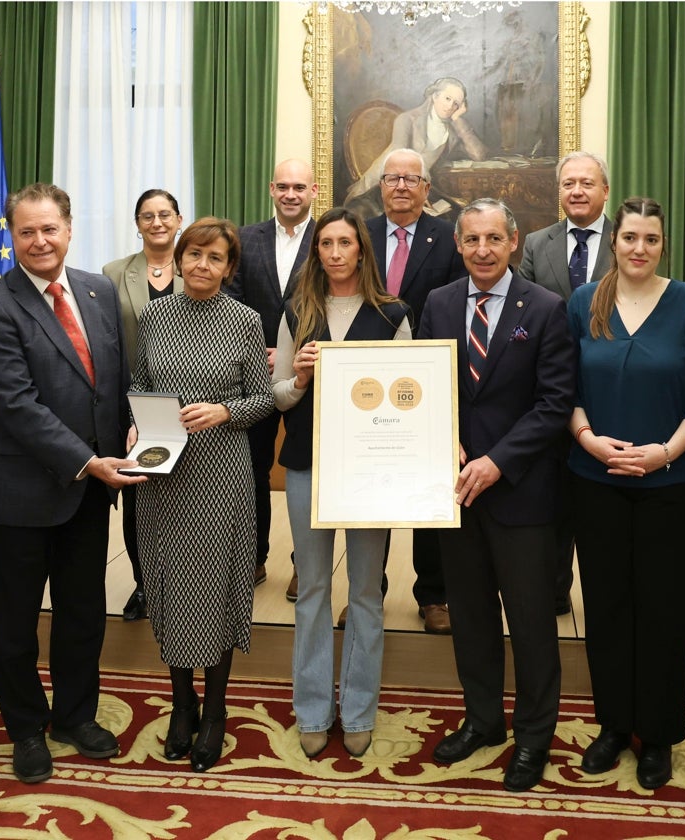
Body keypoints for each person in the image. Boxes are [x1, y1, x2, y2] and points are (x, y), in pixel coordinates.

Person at [0, 183, 145, 784]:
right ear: (11, 236)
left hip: (92, 491)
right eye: (27, 231)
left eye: (50, 229)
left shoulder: (96, 291)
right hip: (24, 491)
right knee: (14, 621)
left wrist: (131, 434)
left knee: (83, 611)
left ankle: (74, 715)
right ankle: (24, 727)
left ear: (69, 229)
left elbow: (113, 382)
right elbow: (16, 405)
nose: (40, 241)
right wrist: (87, 460)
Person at [418, 198, 574, 792]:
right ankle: (483, 721)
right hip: (455, 490)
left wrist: (497, 462)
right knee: (472, 618)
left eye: (493, 239)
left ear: (513, 242)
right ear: (458, 245)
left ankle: (534, 738)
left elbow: (554, 403)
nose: (482, 250)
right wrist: (448, 439)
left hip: (522, 494)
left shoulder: (547, 308)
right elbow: (426, 385)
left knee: (532, 623)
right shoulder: (437, 303)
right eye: (471, 240)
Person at [567, 197, 685, 790]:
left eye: (650, 239)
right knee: (605, 605)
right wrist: (588, 440)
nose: (639, 248)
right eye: (630, 237)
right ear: (614, 241)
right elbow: (567, 385)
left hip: (671, 483)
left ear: (662, 245)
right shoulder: (586, 303)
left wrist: (665, 453)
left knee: (663, 605)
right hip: (596, 479)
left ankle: (656, 733)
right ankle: (613, 725)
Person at [131, 217, 274, 773]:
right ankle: (181, 705)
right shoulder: (153, 316)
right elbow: (139, 385)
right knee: (168, 585)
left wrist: (225, 411)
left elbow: (264, 402)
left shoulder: (244, 321)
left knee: (212, 589)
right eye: (194, 254)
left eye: (215, 258)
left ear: (229, 268)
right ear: (178, 256)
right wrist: (135, 424)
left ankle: (214, 709)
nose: (201, 266)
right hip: (165, 476)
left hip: (222, 473)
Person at [273, 207, 411, 760]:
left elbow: (409, 400)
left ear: (362, 251)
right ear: (317, 252)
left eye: (344, 243)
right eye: (325, 243)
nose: (334, 253)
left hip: (371, 473)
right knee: (310, 591)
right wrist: (301, 378)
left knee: (365, 594)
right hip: (307, 466)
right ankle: (311, 708)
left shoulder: (394, 313)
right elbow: (277, 395)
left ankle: (357, 708)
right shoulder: (294, 312)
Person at [364, 147, 465, 635]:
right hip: (364, 380)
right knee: (373, 483)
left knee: (429, 483)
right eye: (392, 178)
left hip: (430, 379)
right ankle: (368, 591)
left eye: (412, 179)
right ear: (380, 186)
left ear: (427, 187)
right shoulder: (358, 235)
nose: (401, 186)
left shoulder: (449, 237)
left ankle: (434, 595)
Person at [518, 151, 614, 616]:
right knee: (551, 495)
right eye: (568, 183)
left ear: (605, 191)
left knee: (598, 501)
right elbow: (525, 308)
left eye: (587, 183)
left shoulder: (630, 239)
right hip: (549, 388)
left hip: (610, 390)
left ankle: (604, 593)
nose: (577, 191)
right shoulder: (538, 243)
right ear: (558, 191)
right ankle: (553, 590)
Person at [228, 159, 318, 593]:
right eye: (283, 186)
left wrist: (289, 353)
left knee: (309, 469)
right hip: (252, 375)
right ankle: (254, 558)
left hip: (308, 375)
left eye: (299, 186)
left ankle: (307, 565)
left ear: (314, 191)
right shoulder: (246, 239)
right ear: (271, 189)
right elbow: (231, 299)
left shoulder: (329, 240)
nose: (290, 194)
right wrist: (254, 352)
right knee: (252, 470)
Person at [102, 189, 185, 621]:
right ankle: (144, 585)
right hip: (134, 402)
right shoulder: (113, 274)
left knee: (183, 499)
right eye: (147, 216)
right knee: (138, 500)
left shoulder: (199, 267)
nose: (156, 222)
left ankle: (183, 588)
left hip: (191, 400)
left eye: (164, 214)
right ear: (137, 223)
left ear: (178, 219)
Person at [347, 77, 488, 205]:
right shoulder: (407, 119)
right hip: (380, 188)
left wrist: (457, 119)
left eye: (456, 103)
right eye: (447, 98)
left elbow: (478, 154)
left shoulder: (451, 133)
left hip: (414, 190)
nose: (451, 106)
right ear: (435, 96)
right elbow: (398, 162)